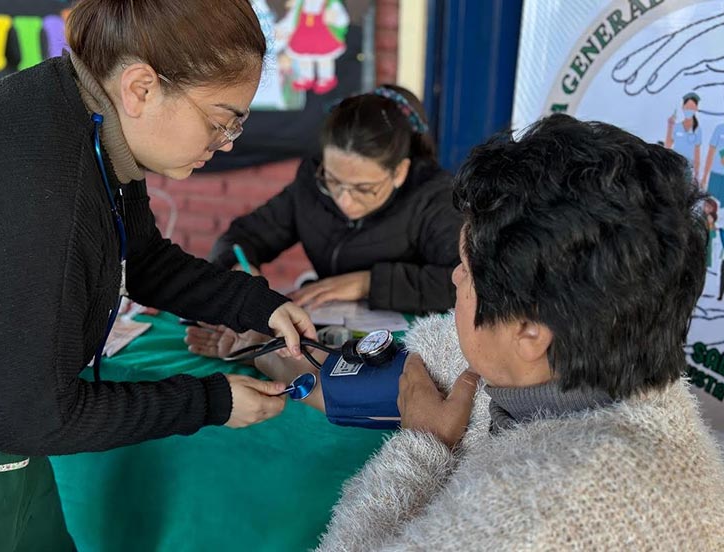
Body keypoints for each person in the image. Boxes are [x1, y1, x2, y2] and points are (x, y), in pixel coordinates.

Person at [0, 1, 317, 550]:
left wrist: (259, 306)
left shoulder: (89, 116)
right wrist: (214, 402)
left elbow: (142, 257)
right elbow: (37, 420)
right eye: (219, 120)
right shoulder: (38, 193)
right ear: (141, 87)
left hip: (3, 424)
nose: (227, 141)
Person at [205, 114, 724, 549]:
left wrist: (423, 445)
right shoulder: (553, 362)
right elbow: (355, 383)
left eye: (466, 271)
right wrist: (262, 349)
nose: (453, 279)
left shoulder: (540, 516)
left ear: (529, 331)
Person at [210, 85, 462, 314]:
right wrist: (239, 270)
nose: (344, 200)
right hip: (334, 324)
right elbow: (241, 238)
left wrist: (367, 283)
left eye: (363, 188)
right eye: (333, 180)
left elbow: (469, 282)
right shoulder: (312, 182)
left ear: (399, 172)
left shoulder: (433, 197)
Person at [665, 92, 703, 180]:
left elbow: (697, 153)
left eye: (692, 108)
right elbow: (667, 146)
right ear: (683, 107)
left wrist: (697, 172)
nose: (689, 110)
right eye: (687, 107)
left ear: (696, 109)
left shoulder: (697, 130)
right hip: (675, 164)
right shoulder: (677, 127)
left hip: (688, 168)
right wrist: (670, 126)